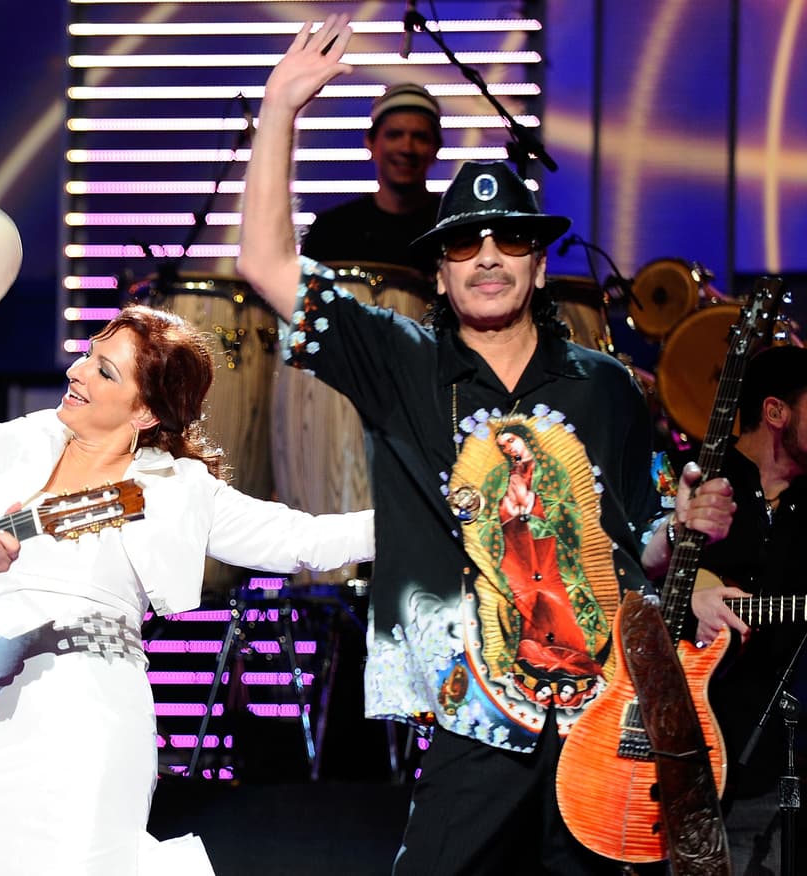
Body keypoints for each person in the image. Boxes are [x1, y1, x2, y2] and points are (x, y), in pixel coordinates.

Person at [235, 15, 737, 874]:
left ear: (540, 264)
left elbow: (641, 537)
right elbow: (266, 264)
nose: (488, 256)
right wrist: (279, 107)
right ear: (440, 270)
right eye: (465, 242)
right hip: (478, 711)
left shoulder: (605, 384)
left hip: (604, 711)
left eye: (510, 238)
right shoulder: (400, 360)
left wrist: (683, 530)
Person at [0, 304, 376, 875]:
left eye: (105, 370)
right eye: (86, 356)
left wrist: (419, 521)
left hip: (93, 709)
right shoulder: (25, 439)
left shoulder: (179, 488)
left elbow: (300, 540)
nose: (77, 372)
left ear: (148, 410)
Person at [691, 344, 807, 875]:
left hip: (772, 766)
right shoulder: (695, 477)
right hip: (677, 750)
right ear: (776, 412)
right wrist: (694, 589)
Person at [299, 81, 443, 277]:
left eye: (420, 137)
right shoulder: (330, 231)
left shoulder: (454, 231)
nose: (406, 148)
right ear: (371, 142)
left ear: (436, 148)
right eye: (394, 135)